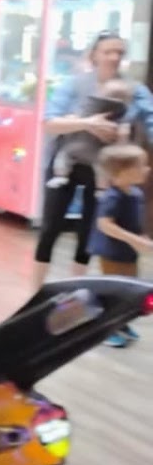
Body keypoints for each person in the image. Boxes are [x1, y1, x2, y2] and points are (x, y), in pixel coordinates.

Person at [34, 32, 153, 284]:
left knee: (89, 232)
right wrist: (87, 123)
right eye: (108, 51)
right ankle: (36, 290)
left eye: (119, 52)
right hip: (67, 161)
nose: (114, 57)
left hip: (103, 169)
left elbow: (151, 121)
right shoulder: (74, 84)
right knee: (50, 228)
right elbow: (49, 122)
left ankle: (75, 288)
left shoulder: (135, 90)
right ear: (94, 55)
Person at [89, 142, 151, 347]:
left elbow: (134, 222)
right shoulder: (112, 197)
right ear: (122, 172)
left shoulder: (136, 194)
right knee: (114, 291)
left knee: (128, 289)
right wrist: (134, 240)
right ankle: (104, 329)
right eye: (141, 165)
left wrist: (141, 237)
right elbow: (104, 224)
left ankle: (120, 323)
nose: (147, 169)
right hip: (111, 253)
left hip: (128, 253)